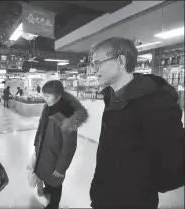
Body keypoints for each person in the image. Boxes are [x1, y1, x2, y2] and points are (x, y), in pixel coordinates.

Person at [89, 37, 184, 209]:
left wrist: (143, 185)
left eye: (97, 63)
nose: (93, 70)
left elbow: (176, 159)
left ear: (120, 61)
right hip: (103, 196)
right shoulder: (111, 96)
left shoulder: (155, 103)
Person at [33, 80, 88, 209]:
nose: (45, 98)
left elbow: (70, 145)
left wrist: (61, 167)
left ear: (58, 96)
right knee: (46, 174)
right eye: (44, 94)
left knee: (56, 179)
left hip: (56, 155)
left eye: (48, 95)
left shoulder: (67, 115)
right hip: (44, 149)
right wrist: (36, 143)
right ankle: (48, 189)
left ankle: (54, 203)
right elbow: (41, 127)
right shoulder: (48, 107)